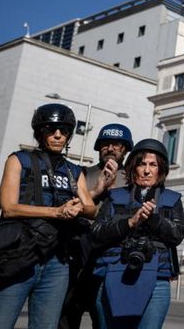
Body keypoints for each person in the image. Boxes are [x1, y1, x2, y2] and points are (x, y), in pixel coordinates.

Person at [0, 103, 97, 329]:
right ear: (40, 132)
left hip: (57, 261)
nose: (58, 135)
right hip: (19, 254)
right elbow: (9, 207)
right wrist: (56, 211)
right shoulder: (19, 159)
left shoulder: (73, 170)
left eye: (64, 130)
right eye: (51, 129)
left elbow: (92, 209)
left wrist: (78, 208)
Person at [90, 139, 184, 329]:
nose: (147, 171)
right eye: (142, 164)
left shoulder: (172, 199)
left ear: (161, 170)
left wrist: (153, 219)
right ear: (133, 168)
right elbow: (96, 234)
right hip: (112, 275)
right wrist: (129, 223)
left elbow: (177, 234)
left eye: (153, 165)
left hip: (157, 280)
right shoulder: (114, 197)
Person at [60, 123, 133, 329]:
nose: (110, 148)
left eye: (116, 145)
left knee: (105, 318)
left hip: (113, 254)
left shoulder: (133, 178)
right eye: (105, 144)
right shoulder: (83, 173)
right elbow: (68, 206)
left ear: (125, 149)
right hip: (80, 251)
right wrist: (98, 190)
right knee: (67, 314)